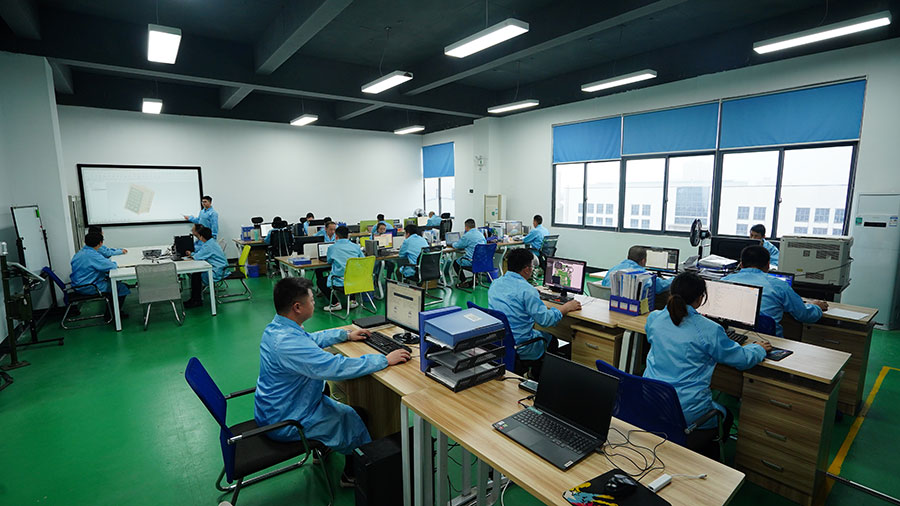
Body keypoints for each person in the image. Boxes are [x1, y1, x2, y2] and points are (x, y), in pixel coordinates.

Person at [254, 277, 411, 486]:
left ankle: (322, 448)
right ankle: (352, 475)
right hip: (288, 420)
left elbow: (310, 340)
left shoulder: (278, 329)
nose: (315, 303)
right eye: (312, 300)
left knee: (330, 395)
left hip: (278, 407)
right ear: (297, 307)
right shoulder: (287, 343)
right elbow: (335, 367)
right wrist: (384, 360)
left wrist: (346, 335)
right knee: (352, 417)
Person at [643, 272, 770, 458]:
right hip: (686, 412)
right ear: (700, 298)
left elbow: (653, 337)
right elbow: (742, 360)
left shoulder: (654, 318)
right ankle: (708, 461)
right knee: (726, 415)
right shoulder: (709, 329)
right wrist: (758, 348)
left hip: (652, 400)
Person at [489, 248, 581, 379]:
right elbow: (546, 320)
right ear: (527, 269)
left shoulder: (495, 284)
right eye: (532, 267)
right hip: (521, 345)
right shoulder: (527, 291)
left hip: (501, 341)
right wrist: (566, 308)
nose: (533, 270)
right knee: (552, 340)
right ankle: (537, 376)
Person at [721, 245, 827, 337]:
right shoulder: (778, 285)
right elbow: (804, 315)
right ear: (768, 265)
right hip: (767, 340)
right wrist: (816, 307)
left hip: (730, 335)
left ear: (741, 264)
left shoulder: (723, 281)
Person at [70, 232, 130, 318]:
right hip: (89, 286)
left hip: (79, 284)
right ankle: (113, 315)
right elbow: (111, 266)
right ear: (100, 243)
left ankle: (112, 309)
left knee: (115, 282)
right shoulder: (92, 255)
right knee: (121, 287)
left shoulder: (80, 253)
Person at [318, 225, 363, 312]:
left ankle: (335, 303)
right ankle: (352, 301)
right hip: (356, 280)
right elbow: (362, 260)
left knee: (321, 281)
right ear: (348, 235)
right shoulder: (356, 247)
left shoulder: (332, 248)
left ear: (336, 236)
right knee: (350, 273)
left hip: (341, 281)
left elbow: (329, 260)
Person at [185, 226, 228, 308]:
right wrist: (193, 254)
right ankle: (195, 299)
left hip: (218, 271)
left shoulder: (208, 246)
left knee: (196, 276)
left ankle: (196, 300)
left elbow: (198, 256)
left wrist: (191, 254)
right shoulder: (210, 242)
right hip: (219, 268)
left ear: (201, 236)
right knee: (196, 275)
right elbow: (201, 253)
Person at [601, 246, 672, 294]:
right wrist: (675, 278)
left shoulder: (613, 270)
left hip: (608, 305)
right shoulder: (643, 275)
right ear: (643, 261)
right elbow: (661, 286)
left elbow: (603, 285)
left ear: (628, 257)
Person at [451, 218, 487, 289]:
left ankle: (463, 281)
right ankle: (475, 279)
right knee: (476, 257)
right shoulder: (481, 235)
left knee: (455, 263)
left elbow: (457, 245)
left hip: (471, 261)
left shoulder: (467, 235)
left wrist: (452, 244)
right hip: (481, 261)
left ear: (466, 227)